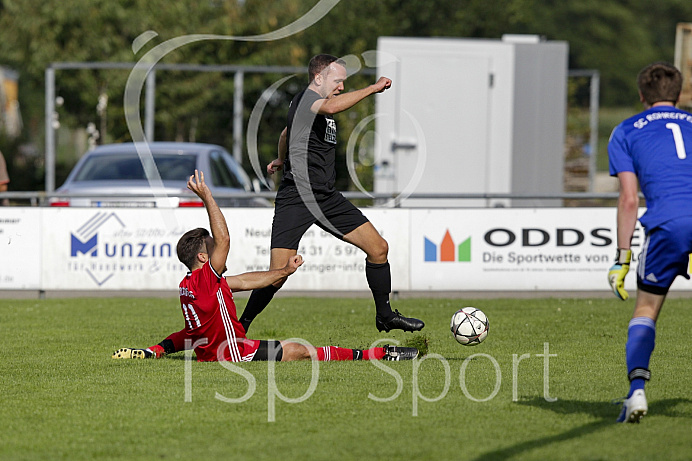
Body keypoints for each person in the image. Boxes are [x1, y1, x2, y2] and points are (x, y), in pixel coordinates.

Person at [113, 170, 418, 363]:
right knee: (301, 350)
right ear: (204, 259)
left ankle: (375, 353)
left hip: (213, 352)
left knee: (295, 346)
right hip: (234, 352)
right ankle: (377, 354)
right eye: (213, 250)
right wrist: (207, 196)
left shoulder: (191, 285)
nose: (219, 251)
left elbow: (242, 284)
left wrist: (155, 349)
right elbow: (225, 237)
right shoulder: (207, 277)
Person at [239, 54, 424, 334]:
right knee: (277, 275)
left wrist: (280, 159)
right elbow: (332, 107)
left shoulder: (311, 107)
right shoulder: (306, 98)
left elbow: (285, 133)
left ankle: (385, 316)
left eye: (343, 82)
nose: (341, 87)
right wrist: (372, 89)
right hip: (297, 198)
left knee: (379, 249)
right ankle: (241, 327)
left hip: (326, 197)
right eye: (338, 81)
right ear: (319, 78)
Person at [607, 61, 692, 423]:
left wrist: (622, 257)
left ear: (642, 95)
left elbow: (629, 199)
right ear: (678, 94)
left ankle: (636, 392)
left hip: (669, 225)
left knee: (646, 309)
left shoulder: (625, 131)